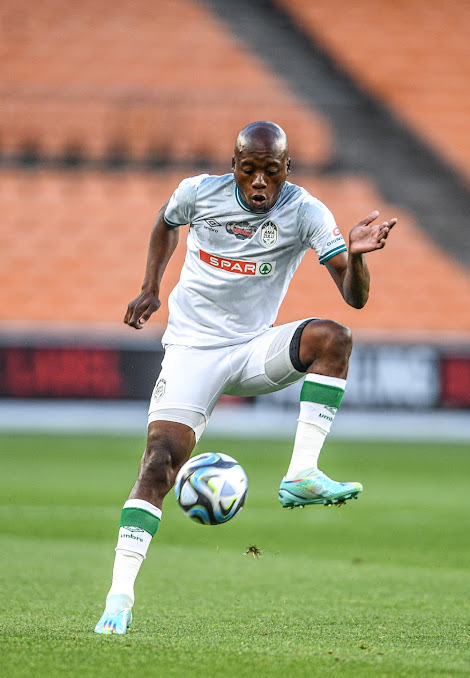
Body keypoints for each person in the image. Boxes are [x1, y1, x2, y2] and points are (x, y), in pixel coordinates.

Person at [95, 121, 397, 634]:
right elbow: (166, 223)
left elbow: (355, 295)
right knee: (159, 464)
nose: (260, 182)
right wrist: (151, 287)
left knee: (335, 337)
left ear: (286, 170)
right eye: (250, 170)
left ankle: (301, 472)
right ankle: (118, 599)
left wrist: (359, 258)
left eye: (271, 172)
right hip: (192, 349)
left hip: (254, 348)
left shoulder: (304, 211)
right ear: (233, 166)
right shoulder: (198, 193)